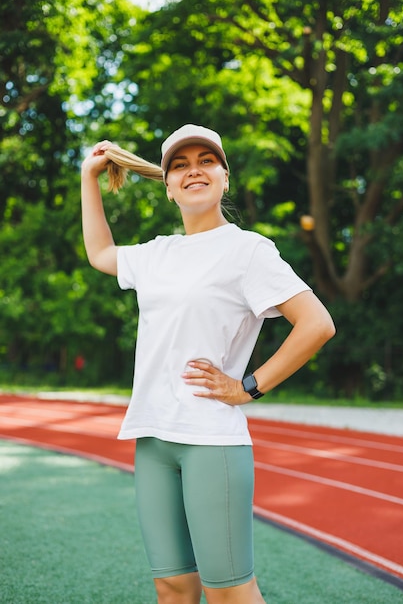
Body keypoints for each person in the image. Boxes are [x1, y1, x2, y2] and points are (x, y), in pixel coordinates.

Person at [81, 124, 336, 604]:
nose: (193, 170)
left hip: (210, 443)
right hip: (153, 439)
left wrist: (249, 387)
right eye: (179, 165)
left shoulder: (248, 250)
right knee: (173, 588)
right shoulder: (158, 253)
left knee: (230, 594)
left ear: (223, 177)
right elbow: (99, 253)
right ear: (169, 187)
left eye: (205, 161)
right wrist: (88, 178)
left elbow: (317, 324)